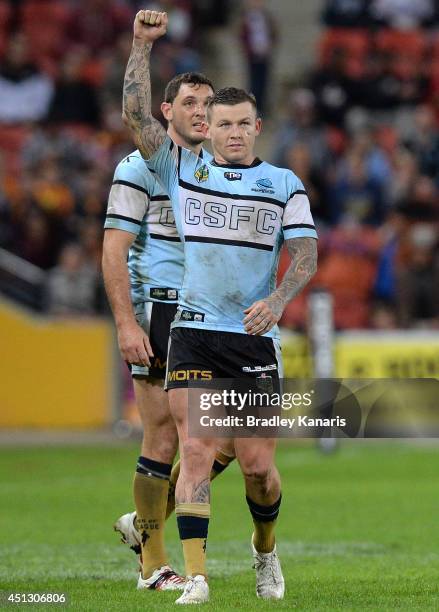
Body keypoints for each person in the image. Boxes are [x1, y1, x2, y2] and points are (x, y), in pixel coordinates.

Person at [122, 10, 318, 605]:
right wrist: (140, 45)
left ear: (258, 125)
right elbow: (135, 114)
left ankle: (265, 551)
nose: (232, 131)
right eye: (221, 122)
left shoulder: (283, 184)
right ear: (206, 128)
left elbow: (306, 255)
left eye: (242, 123)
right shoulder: (183, 170)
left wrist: (278, 299)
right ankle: (197, 576)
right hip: (194, 332)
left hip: (253, 339)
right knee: (197, 451)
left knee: (258, 468)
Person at [102, 70, 236, 591]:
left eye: (208, 102)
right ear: (166, 111)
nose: (201, 110)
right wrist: (125, 323)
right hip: (161, 313)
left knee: (231, 437)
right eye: (190, 102)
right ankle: (153, 565)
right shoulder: (141, 167)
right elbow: (114, 249)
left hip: (214, 316)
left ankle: (142, 521)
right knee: (164, 435)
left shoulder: (220, 167)